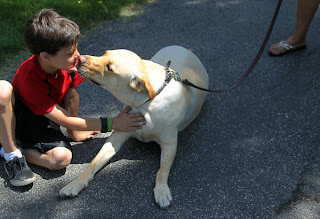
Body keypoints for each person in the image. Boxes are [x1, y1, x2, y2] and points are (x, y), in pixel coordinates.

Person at [0, 9, 145, 187]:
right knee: (2, 89)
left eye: (75, 48)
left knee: (61, 159)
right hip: (19, 119)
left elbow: (71, 94)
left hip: (43, 121)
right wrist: (113, 123)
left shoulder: (66, 62)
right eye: (70, 53)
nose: (77, 55)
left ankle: (18, 148)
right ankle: (11, 153)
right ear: (46, 56)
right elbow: (65, 119)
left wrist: (74, 132)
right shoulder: (30, 78)